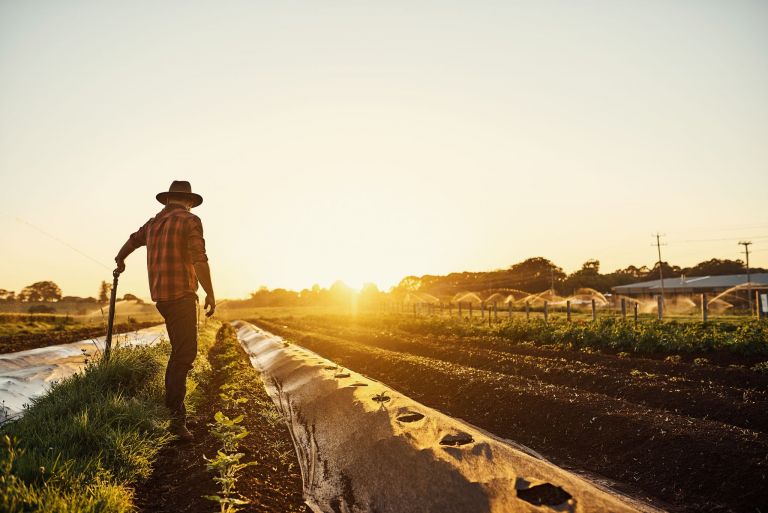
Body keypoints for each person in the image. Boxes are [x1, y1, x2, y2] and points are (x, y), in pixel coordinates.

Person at [114, 180, 215, 442]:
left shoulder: (153, 224)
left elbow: (131, 241)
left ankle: (172, 412)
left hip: (162, 298)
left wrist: (120, 259)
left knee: (179, 354)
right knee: (184, 355)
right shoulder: (189, 220)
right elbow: (198, 257)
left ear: (168, 200)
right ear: (189, 201)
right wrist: (211, 293)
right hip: (182, 295)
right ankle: (175, 420)